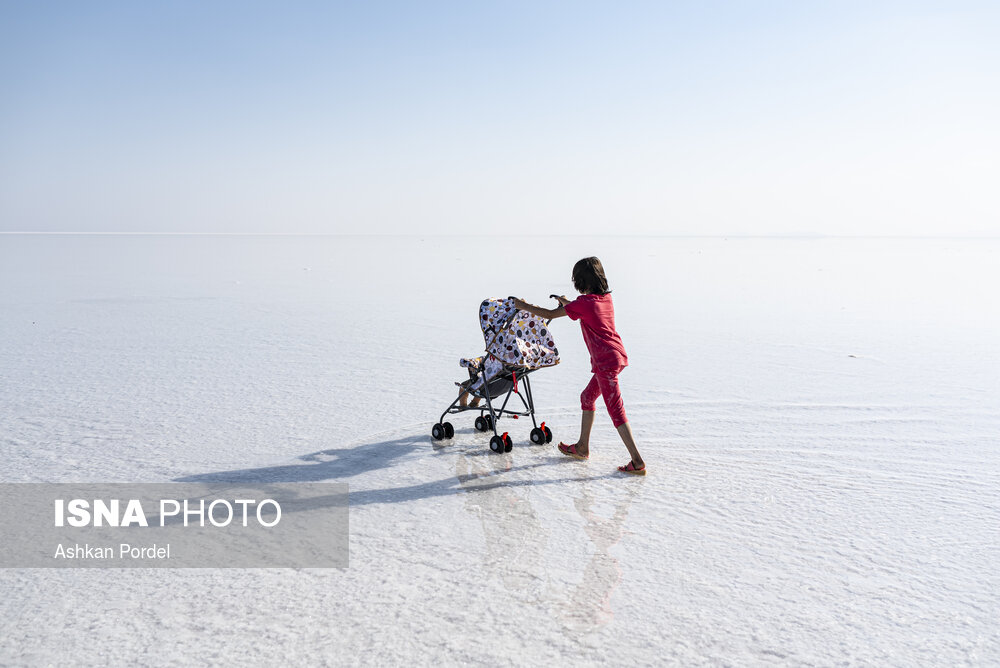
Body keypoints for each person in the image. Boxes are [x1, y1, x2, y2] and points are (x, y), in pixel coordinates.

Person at [512, 257, 646, 475]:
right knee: (587, 397)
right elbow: (582, 308)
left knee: (616, 411)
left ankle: (637, 461)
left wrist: (522, 305)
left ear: (582, 281)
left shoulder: (583, 304)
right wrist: (567, 302)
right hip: (617, 356)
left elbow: (549, 314)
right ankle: (582, 447)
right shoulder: (605, 299)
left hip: (605, 363)